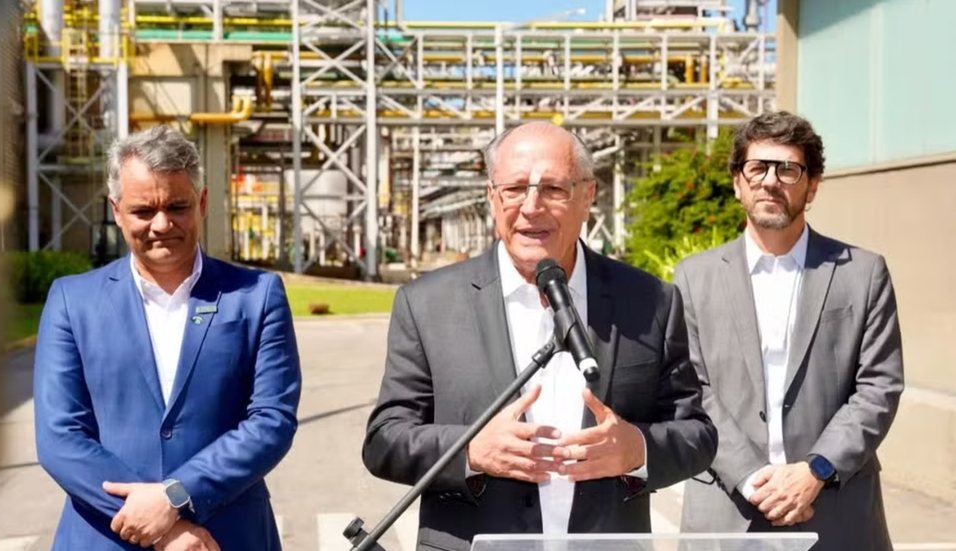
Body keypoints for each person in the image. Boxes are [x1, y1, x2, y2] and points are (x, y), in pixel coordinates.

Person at [363, 121, 717, 550]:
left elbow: (696, 434)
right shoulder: (426, 304)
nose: (531, 207)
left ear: (587, 196)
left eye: (553, 188)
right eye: (514, 189)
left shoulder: (650, 300)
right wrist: (471, 452)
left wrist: (637, 449)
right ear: (492, 197)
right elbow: (384, 440)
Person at [34, 126, 302, 551]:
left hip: (225, 536)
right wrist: (160, 525)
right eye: (143, 211)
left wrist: (177, 496)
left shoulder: (257, 295)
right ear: (116, 210)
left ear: (202, 203)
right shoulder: (71, 301)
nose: (162, 224)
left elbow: (272, 421)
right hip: (106, 536)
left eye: (177, 206)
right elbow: (59, 437)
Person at [676, 111, 903, 550]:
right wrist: (750, 476)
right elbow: (690, 388)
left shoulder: (863, 273)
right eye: (757, 168)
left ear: (812, 185)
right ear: (738, 182)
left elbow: (879, 386)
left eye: (788, 169)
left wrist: (816, 469)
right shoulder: (693, 277)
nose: (770, 181)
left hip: (835, 511)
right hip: (727, 511)